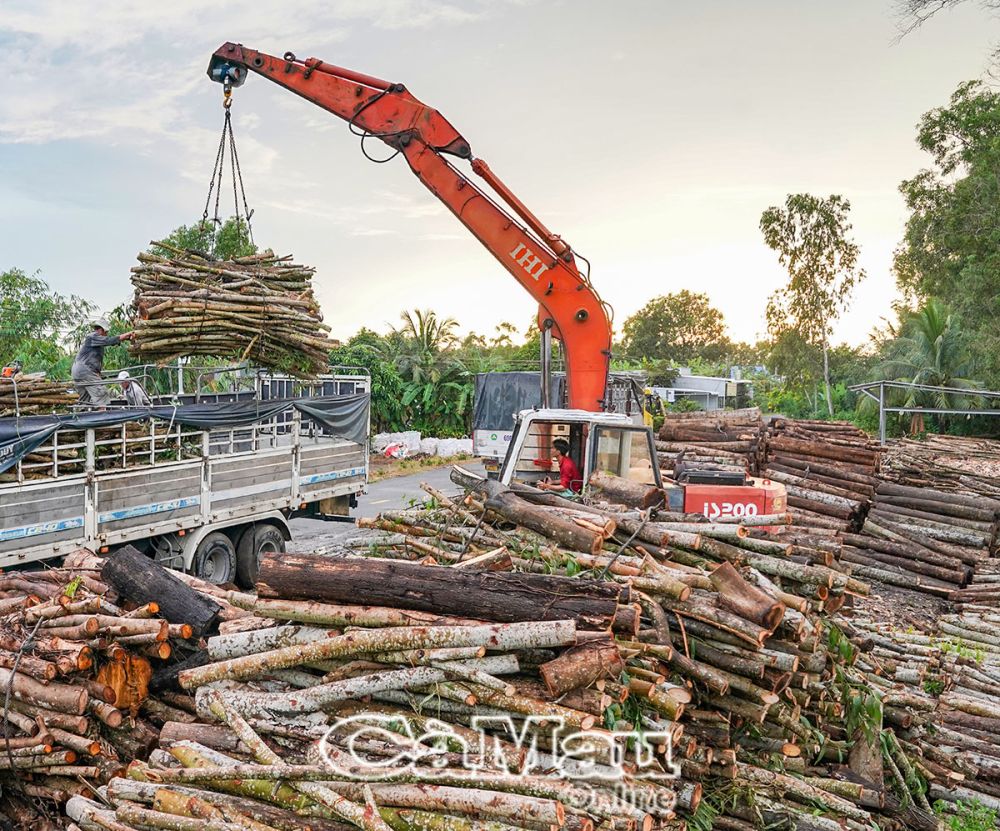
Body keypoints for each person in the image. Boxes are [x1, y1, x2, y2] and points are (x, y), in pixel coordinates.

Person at [71, 319, 135, 409]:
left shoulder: (95, 341)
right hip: (85, 370)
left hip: (78, 372)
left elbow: (94, 358)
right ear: (101, 330)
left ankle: (80, 417)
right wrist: (126, 335)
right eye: (106, 332)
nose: (106, 335)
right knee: (101, 395)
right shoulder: (93, 336)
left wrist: (98, 373)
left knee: (85, 400)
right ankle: (103, 417)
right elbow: (109, 341)